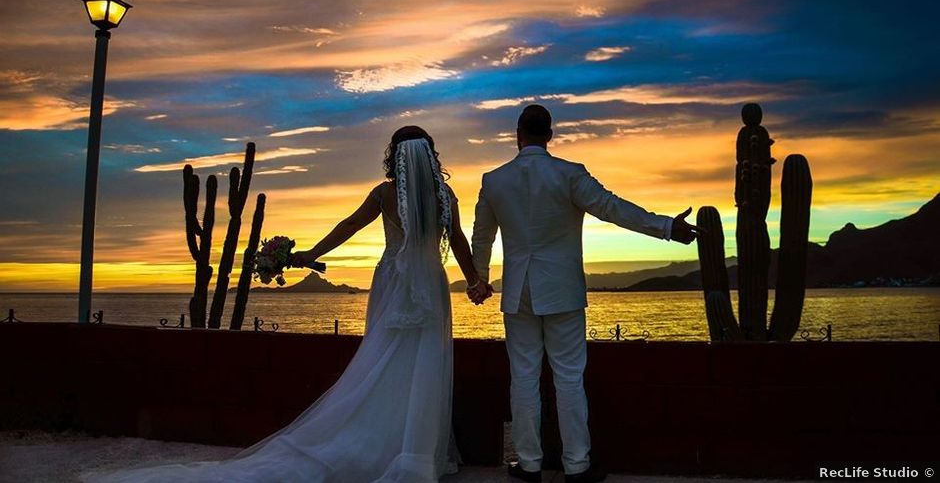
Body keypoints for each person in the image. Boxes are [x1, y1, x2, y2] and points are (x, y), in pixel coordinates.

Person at [81, 126, 486, 483]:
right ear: (430, 156)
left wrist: (311, 253)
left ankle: (384, 444)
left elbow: (348, 226)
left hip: (393, 281)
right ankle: (416, 452)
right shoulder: (443, 194)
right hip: (431, 283)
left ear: (394, 156)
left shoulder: (384, 194)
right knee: (425, 361)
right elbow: (461, 243)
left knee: (383, 356)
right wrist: (472, 282)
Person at [470, 104, 699, 483]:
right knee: (569, 377)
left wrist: (479, 279)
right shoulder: (569, 175)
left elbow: (482, 236)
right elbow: (612, 208)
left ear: (517, 134)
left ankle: (529, 465)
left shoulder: (494, 181)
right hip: (563, 290)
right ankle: (577, 465)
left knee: (523, 377)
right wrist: (666, 227)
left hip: (518, 292)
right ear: (550, 135)